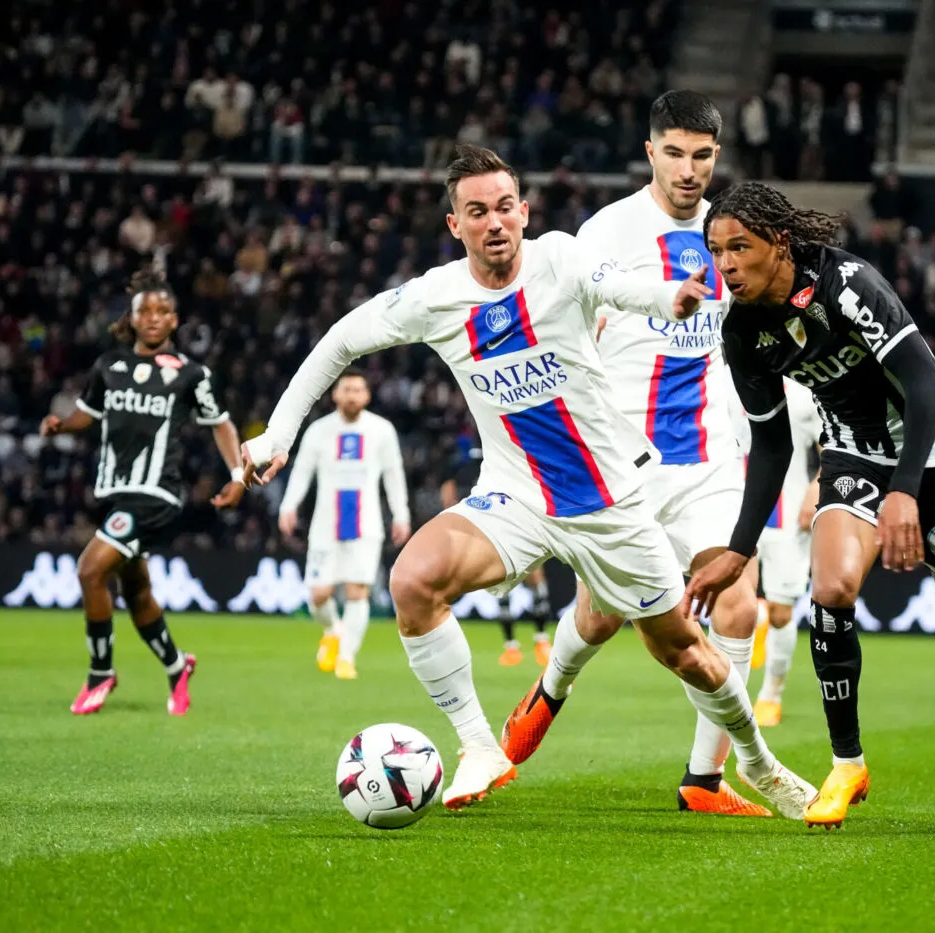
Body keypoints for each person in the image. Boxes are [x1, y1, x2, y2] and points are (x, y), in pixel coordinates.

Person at [240, 145, 816, 816]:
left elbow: (618, 284)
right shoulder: (436, 296)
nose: (495, 223)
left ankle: (756, 760)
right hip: (516, 494)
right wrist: (277, 435)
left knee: (684, 651)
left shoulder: (559, 259)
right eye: (477, 211)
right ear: (455, 224)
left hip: (610, 502)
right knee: (412, 580)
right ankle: (480, 745)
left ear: (525, 211)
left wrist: (672, 297)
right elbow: (341, 338)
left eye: (506, 207)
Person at [687, 182, 935, 830]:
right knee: (831, 586)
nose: (725, 264)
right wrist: (739, 546)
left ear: (779, 244)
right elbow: (774, 445)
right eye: (717, 249)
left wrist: (904, 489)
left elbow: (924, 384)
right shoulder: (744, 330)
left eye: (739, 248)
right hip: (853, 456)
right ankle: (847, 762)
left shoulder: (847, 284)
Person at [503, 90, 771, 817]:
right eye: (675, 153)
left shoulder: (734, 233)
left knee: (740, 608)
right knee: (600, 616)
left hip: (712, 456)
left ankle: (703, 781)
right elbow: (561, 335)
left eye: (703, 156)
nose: (689, 170)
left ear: (718, 157)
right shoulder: (606, 232)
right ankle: (549, 688)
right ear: (650, 151)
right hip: (627, 456)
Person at [41, 268, 245, 716]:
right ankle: (177, 666)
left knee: (91, 571)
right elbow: (86, 413)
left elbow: (221, 424)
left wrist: (237, 475)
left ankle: (100, 673)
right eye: (145, 310)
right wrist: (61, 425)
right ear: (131, 319)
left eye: (163, 311)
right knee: (135, 591)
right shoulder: (108, 366)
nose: (154, 317)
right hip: (118, 491)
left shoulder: (191, 374)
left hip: (157, 495)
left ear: (175, 321)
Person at [277, 368, 412, 680]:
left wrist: (401, 514)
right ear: (335, 395)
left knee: (357, 591)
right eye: (346, 389)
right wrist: (289, 506)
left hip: (366, 523)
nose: (351, 395)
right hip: (326, 524)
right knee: (318, 595)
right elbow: (302, 472)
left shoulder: (381, 430)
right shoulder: (319, 431)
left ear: (366, 396)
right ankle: (333, 630)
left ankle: (347, 658)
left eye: (357, 390)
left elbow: (393, 475)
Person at [439, 440, 555, 668]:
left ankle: (541, 641)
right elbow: (448, 493)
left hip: (521, 527)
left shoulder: (513, 456)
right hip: (489, 532)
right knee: (503, 586)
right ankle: (512, 646)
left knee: (535, 581)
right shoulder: (466, 464)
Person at [746, 380, 822, 727]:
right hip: (733, 508)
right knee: (731, 603)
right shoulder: (723, 380)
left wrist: (817, 487)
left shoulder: (804, 393)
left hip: (786, 514)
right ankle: (729, 696)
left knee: (781, 611)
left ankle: (771, 695)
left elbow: (832, 445)